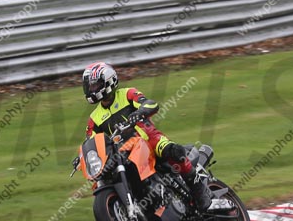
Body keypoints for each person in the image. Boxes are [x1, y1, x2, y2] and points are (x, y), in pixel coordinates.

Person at [82, 61, 211, 212]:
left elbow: (150, 104)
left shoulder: (127, 94)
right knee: (103, 178)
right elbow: (91, 141)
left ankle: (201, 194)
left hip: (149, 139)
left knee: (174, 152)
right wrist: (83, 156)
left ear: (108, 81)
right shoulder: (94, 118)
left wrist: (139, 112)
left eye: (95, 85)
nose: (91, 89)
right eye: (89, 86)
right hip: (123, 151)